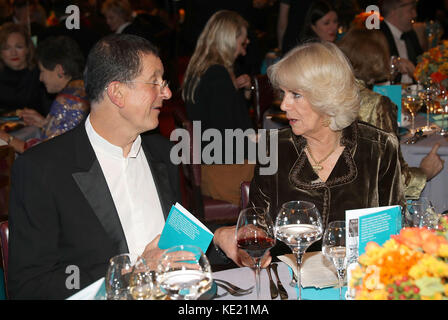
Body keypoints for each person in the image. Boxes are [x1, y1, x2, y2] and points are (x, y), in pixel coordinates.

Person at [8, 33, 180, 299]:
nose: (167, 92)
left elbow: (179, 240)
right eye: (155, 82)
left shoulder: (163, 154)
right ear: (117, 93)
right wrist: (132, 276)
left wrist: (219, 240)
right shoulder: (42, 170)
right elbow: (29, 287)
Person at [213, 41, 405, 266]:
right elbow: (257, 223)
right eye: (283, 93)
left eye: (295, 95)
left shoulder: (378, 148)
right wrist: (247, 238)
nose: (284, 105)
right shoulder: (274, 148)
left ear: (326, 97)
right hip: (289, 282)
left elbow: (394, 232)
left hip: (359, 278)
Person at [338, 28, 444, 199]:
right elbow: (391, 177)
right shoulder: (376, 104)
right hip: (364, 207)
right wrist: (425, 171)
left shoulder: (326, 94)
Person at [182, 10, 255, 206]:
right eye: (242, 44)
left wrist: (244, 93)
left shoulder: (202, 70)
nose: (243, 51)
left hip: (211, 167)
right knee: (290, 167)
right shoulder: (217, 76)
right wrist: (259, 142)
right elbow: (226, 139)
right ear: (228, 42)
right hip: (223, 173)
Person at [0, 36, 89, 153]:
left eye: (42, 71)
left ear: (59, 70)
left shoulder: (67, 100)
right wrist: (45, 123)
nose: (40, 78)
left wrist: (6, 138)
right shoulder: (82, 87)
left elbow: (44, 153)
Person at [0, 22, 51, 115]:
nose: (13, 53)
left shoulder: (40, 75)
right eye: (7, 48)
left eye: (19, 47)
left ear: (28, 49)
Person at [379, 0, 423, 84]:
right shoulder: (377, 35)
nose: (415, 14)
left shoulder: (411, 35)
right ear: (394, 11)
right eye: (411, 10)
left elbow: (422, 67)